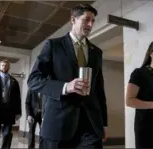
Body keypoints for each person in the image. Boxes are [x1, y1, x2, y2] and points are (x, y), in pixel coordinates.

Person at [27, 4, 108, 149]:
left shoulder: (97, 52)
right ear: (73, 20)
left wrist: (103, 123)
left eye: (93, 21)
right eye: (86, 20)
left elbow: (99, 90)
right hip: (59, 123)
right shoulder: (53, 46)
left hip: (90, 125)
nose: (90, 24)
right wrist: (65, 87)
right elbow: (33, 80)